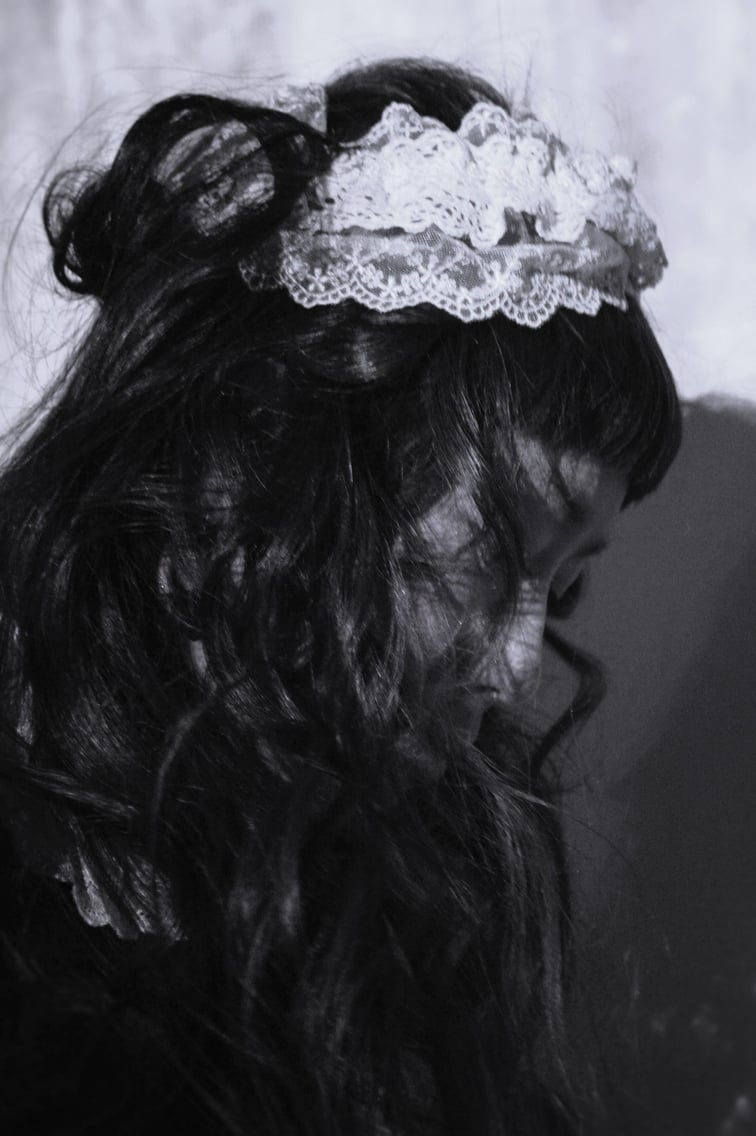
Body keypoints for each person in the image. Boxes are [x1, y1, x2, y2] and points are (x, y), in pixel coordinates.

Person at [0, 58, 680, 1135]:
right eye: (499, 549)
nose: (517, 670)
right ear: (266, 466)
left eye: (566, 585)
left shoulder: (432, 882)